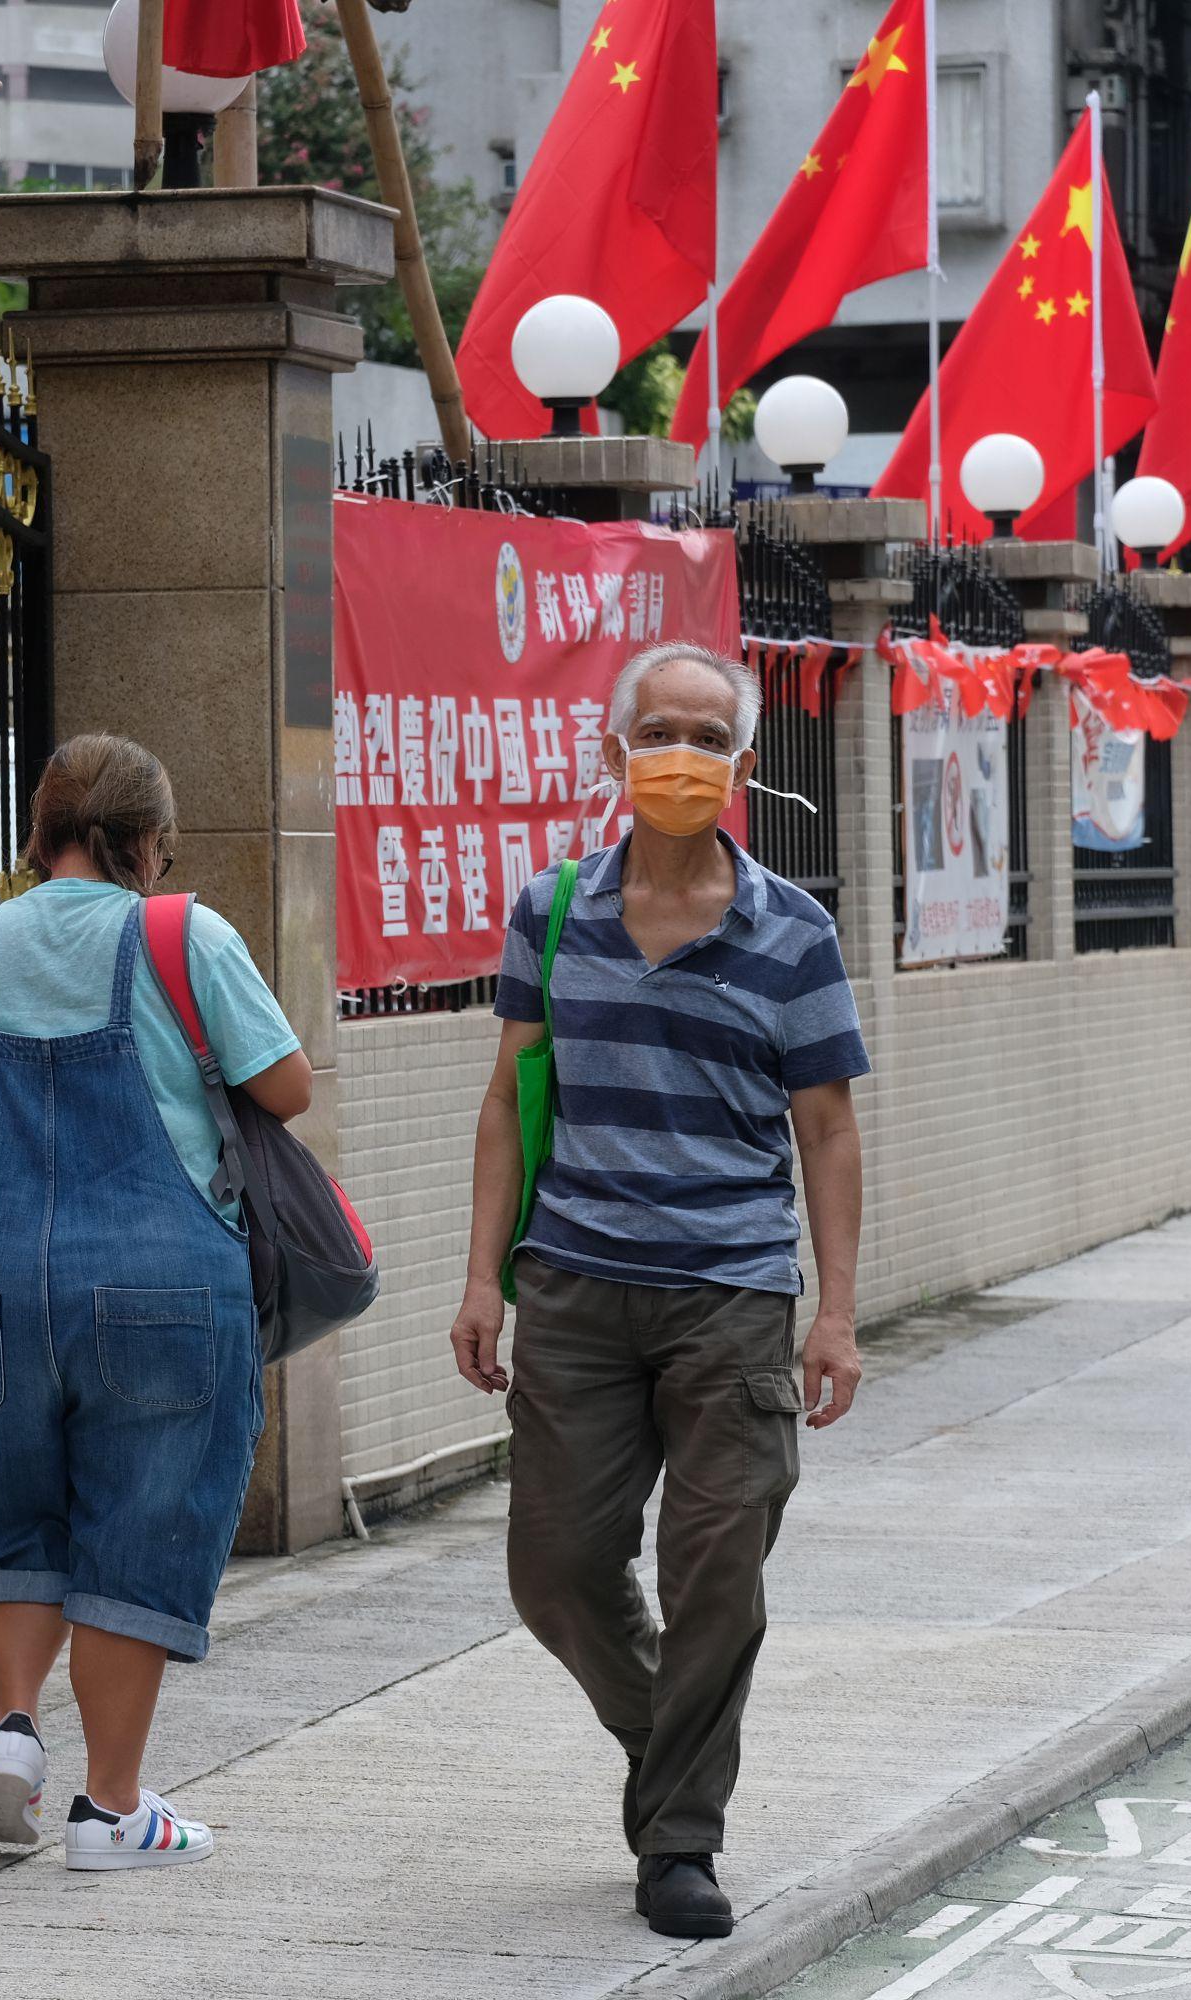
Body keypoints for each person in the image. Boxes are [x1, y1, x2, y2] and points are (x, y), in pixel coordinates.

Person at [447, 641, 868, 1941]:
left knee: (717, 1569)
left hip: (731, 1296)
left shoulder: (792, 933)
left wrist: (837, 1309)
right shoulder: (551, 911)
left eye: (707, 734)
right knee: (557, 1568)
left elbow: (830, 1129)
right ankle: (666, 1751)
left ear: (741, 765)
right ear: (612, 751)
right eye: (658, 730)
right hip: (573, 1287)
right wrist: (482, 1276)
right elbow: (511, 1101)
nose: (680, 754)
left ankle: (680, 1839)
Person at [0, 733, 313, 1871]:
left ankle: (13, 1732)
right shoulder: (179, 933)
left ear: (45, 831)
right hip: (153, 1279)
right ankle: (111, 1808)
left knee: (22, 1507)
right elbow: (287, 1084)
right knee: (143, 1518)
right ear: (142, 841)